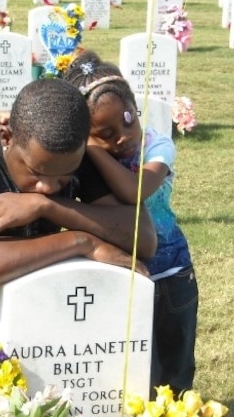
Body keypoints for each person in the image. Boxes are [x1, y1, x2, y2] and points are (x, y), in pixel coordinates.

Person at [0, 78, 157, 342]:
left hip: (41, 326)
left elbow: (144, 239)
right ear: (6, 136)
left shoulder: (76, 153)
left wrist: (44, 206)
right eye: (36, 172)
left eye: (65, 177)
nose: (47, 186)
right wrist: (80, 241)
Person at [64, 50, 198, 394]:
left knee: (175, 361)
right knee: (136, 363)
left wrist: (93, 148)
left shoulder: (158, 145)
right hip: (122, 270)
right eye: (105, 132)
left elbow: (136, 192)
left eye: (128, 119)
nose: (122, 136)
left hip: (170, 273)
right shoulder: (85, 161)